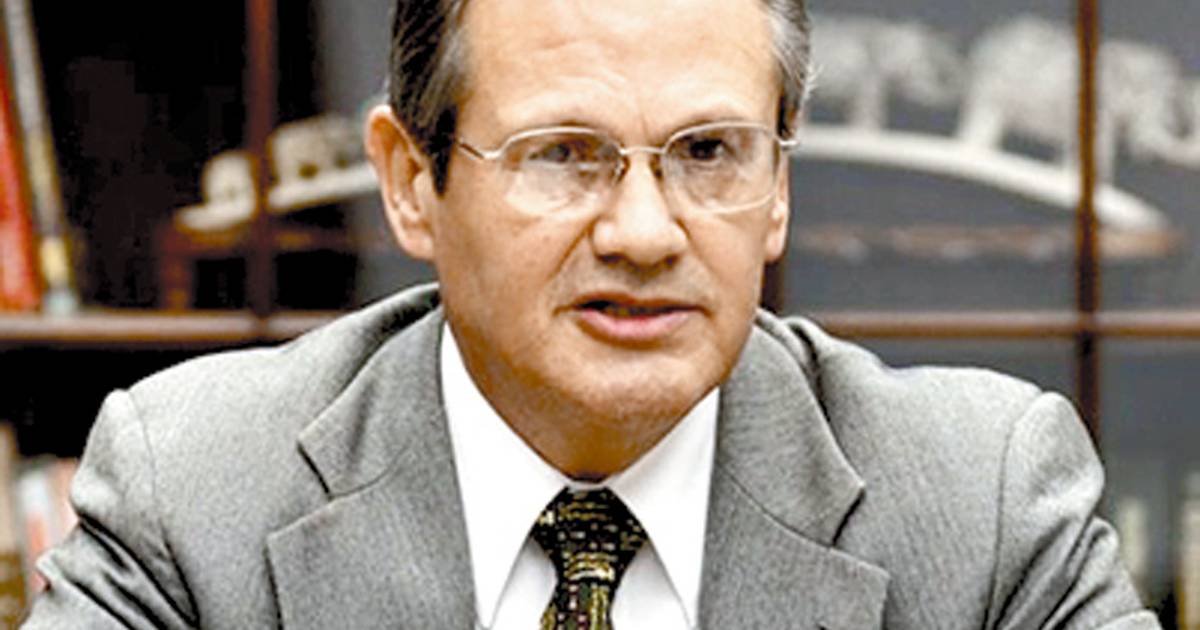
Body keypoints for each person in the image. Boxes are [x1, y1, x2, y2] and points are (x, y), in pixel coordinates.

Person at [24, 0, 1159, 628]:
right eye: (565, 154)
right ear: (412, 183)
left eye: (709, 153)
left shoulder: (985, 506)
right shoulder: (194, 494)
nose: (645, 234)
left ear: (779, 188)